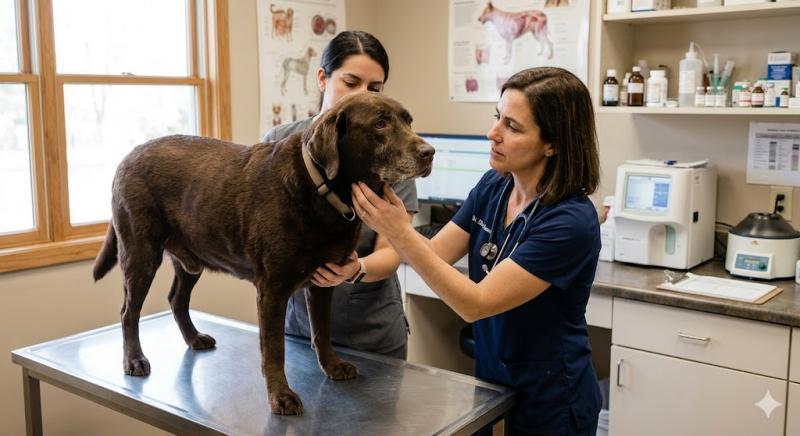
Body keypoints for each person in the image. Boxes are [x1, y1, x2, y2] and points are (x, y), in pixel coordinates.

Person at [352, 67, 602, 435]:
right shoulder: (494, 185)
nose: (493, 133)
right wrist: (358, 263)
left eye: (512, 127)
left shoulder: (570, 222)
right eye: (497, 117)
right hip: (492, 380)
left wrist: (399, 231)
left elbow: (475, 303)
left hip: (551, 395)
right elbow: (435, 254)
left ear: (553, 144)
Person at [264, 30, 417, 359]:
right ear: (323, 78)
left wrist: (355, 269)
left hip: (372, 332)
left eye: (374, 87)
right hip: (299, 332)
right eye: (351, 82)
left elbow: (393, 250)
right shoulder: (279, 142)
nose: (363, 94)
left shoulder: (393, 151)